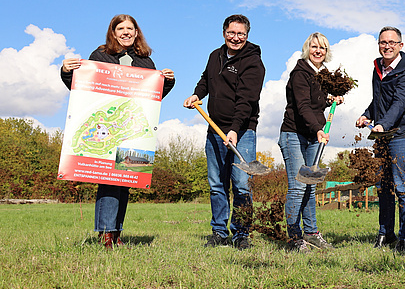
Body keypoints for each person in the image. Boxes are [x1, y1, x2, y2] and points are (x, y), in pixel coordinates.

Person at [60, 14, 175, 249]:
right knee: (109, 182)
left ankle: (117, 232)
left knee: (126, 181)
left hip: (131, 133)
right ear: (113, 32)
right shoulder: (100, 56)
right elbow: (83, 90)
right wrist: (66, 71)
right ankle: (106, 236)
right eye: (120, 28)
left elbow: (152, 100)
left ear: (136, 32)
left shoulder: (146, 62)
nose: (125, 32)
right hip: (104, 131)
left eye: (130, 28)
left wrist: (168, 81)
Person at [183, 14, 265, 251]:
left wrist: (234, 129)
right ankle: (219, 232)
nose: (236, 38)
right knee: (216, 184)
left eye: (241, 34)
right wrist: (197, 94)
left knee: (240, 183)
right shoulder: (215, 56)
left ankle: (241, 233)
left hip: (242, 131)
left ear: (247, 36)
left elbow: (246, 100)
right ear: (224, 33)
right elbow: (206, 80)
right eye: (232, 33)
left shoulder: (253, 63)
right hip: (214, 130)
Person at [355, 26, 405, 254]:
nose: (387, 46)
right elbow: (379, 101)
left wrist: (383, 124)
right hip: (382, 137)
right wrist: (368, 115)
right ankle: (386, 233)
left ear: (401, 46)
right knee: (383, 187)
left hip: (401, 136)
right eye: (383, 42)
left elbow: (399, 104)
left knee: (403, 188)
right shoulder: (378, 69)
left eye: (392, 42)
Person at [278, 32, 343, 252]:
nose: (318, 51)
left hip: (314, 135)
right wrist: (318, 129)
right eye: (314, 47)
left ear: (327, 52)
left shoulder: (321, 74)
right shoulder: (300, 73)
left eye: (322, 48)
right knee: (297, 187)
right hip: (294, 134)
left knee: (310, 186)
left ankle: (312, 233)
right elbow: (303, 106)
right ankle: (293, 237)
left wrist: (331, 99)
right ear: (307, 48)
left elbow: (316, 102)